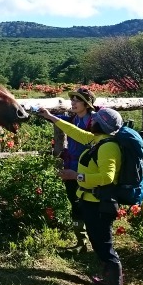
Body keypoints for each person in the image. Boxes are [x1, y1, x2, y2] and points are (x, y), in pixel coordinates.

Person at [38, 107, 124, 285]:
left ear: (101, 124)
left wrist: (76, 176)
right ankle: (107, 278)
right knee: (98, 241)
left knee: (105, 246)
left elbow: (107, 177)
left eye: (95, 119)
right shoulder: (96, 140)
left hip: (99, 203)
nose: (91, 120)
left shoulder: (108, 146)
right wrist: (50, 117)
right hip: (90, 200)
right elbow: (74, 131)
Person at [57, 87, 97, 254]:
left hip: (89, 171)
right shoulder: (73, 119)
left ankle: (96, 242)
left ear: (86, 104)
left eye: (77, 100)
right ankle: (81, 242)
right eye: (72, 99)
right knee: (74, 202)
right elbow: (59, 120)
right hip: (71, 168)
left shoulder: (95, 122)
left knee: (89, 205)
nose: (72, 102)